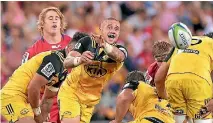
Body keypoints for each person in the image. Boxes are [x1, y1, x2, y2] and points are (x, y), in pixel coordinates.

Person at [1, 32, 88, 123]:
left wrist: (42, 117)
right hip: (12, 96)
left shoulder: (63, 70)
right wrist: (38, 113)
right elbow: (33, 87)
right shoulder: (55, 60)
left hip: (26, 101)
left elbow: (48, 98)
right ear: (70, 48)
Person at [58, 17, 128, 123]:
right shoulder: (87, 42)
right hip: (71, 93)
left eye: (116, 29)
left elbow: (120, 56)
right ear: (101, 29)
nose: (113, 30)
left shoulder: (120, 50)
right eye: (109, 27)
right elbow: (67, 62)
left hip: (90, 102)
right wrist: (80, 59)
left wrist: (105, 46)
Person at [21, 7, 71, 123]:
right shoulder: (33, 51)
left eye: (57, 18)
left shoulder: (73, 44)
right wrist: (37, 106)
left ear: (61, 23)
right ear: (42, 24)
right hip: (47, 104)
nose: (54, 21)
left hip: (71, 100)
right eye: (50, 18)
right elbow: (25, 82)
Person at [154, 31, 213, 122]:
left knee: (179, 119)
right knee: (202, 117)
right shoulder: (210, 44)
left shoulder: (179, 44)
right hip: (198, 83)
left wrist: (164, 98)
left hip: (173, 82)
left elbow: (158, 79)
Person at [110, 70, 175, 123]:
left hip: (150, 119)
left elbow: (123, 98)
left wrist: (117, 121)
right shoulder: (159, 92)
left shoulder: (137, 84)